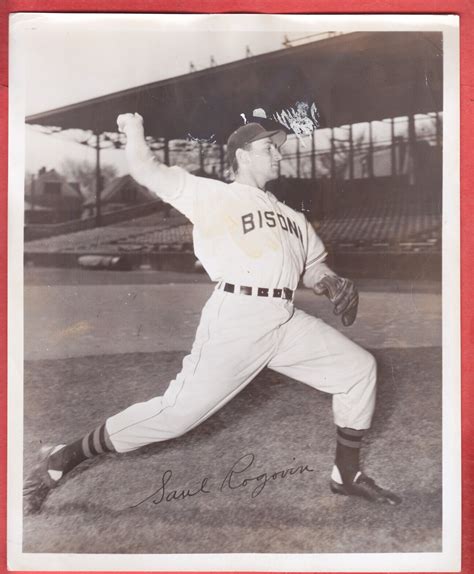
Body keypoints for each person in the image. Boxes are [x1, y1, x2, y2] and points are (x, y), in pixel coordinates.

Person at [23, 113, 401, 515]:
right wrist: (134, 128)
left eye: (278, 147)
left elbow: (312, 267)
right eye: (268, 147)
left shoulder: (294, 218)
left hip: (285, 318)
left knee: (358, 370)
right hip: (238, 316)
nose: (277, 154)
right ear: (243, 155)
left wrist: (330, 280)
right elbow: (145, 169)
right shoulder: (213, 196)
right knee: (175, 416)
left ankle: (346, 475)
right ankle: (62, 459)